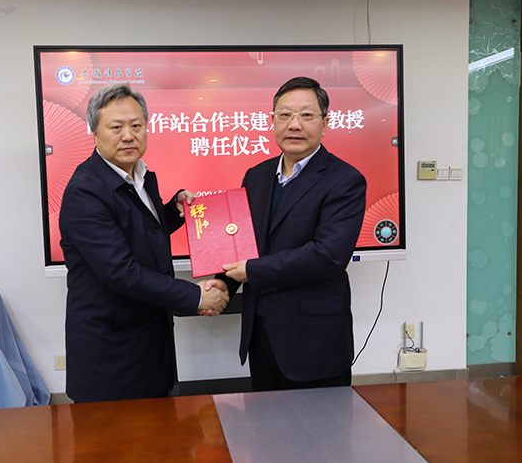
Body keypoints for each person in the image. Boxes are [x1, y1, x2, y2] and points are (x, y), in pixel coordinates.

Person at [59, 84, 229, 403]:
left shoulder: (140, 175)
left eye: (136, 125)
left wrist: (174, 212)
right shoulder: (86, 191)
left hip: (150, 340)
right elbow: (120, 270)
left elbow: (139, 230)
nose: (128, 136)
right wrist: (195, 296)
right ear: (94, 132)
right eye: (116, 127)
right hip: (111, 352)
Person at [216, 77, 367, 392]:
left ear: (326, 122)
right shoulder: (256, 176)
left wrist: (252, 271)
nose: (294, 124)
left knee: (323, 423)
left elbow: (328, 255)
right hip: (261, 333)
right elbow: (244, 242)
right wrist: (223, 283)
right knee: (266, 420)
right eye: (285, 115)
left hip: (314, 339)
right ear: (272, 121)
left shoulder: (345, 180)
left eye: (306, 115)